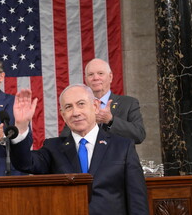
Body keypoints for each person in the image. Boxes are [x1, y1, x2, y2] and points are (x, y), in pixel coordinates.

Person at [10, 84, 149, 215]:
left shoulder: (123, 147)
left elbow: (137, 199)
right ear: (63, 114)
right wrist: (21, 126)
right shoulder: (53, 148)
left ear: (95, 106)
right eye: (68, 107)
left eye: (81, 104)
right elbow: (25, 163)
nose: (75, 112)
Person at [61, 58, 146, 144]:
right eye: (91, 74)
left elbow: (139, 135)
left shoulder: (128, 103)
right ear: (86, 79)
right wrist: (90, 123)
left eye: (100, 73)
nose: (95, 78)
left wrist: (110, 120)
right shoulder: (78, 106)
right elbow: (64, 140)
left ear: (110, 77)